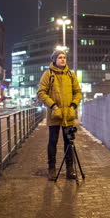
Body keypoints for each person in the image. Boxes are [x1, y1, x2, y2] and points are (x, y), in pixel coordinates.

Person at [37, 50, 82, 180]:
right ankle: (51, 169)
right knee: (53, 142)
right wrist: (53, 106)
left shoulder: (71, 75)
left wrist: (73, 105)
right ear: (54, 60)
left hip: (68, 115)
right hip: (54, 115)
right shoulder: (48, 74)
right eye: (60, 57)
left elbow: (78, 92)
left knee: (69, 142)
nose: (63, 59)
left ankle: (70, 169)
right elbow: (41, 93)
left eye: (64, 57)